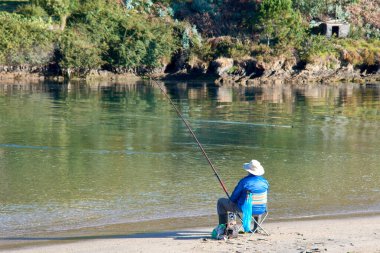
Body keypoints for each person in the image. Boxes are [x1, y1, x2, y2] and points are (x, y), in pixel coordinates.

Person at [217, 159, 269, 226]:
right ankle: (257, 228)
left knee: (221, 202)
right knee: (257, 202)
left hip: (245, 209)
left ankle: (222, 227)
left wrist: (231, 201)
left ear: (248, 170)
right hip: (262, 209)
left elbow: (234, 197)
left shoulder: (244, 182)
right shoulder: (265, 182)